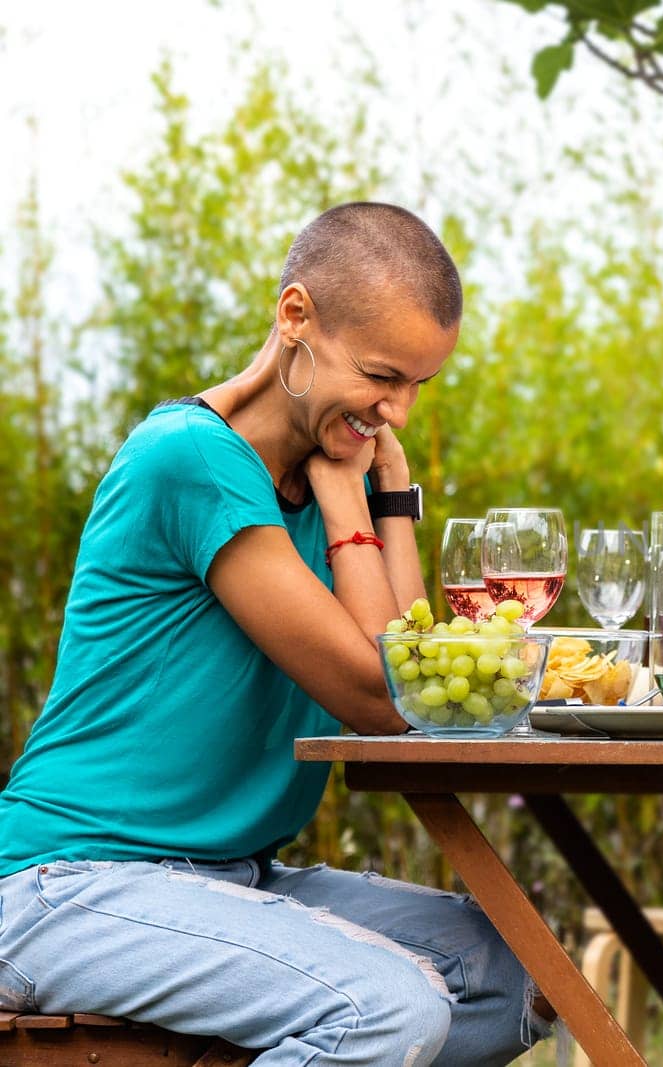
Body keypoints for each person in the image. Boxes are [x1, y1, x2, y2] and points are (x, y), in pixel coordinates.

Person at [0, 203, 547, 1066]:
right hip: (66, 881)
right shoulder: (191, 456)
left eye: (417, 386)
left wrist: (389, 504)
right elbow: (382, 694)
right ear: (296, 318)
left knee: (518, 971)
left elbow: (425, 694)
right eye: (381, 375)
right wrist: (344, 506)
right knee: (385, 1010)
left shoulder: (339, 468)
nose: (396, 411)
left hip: (230, 875)